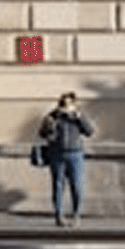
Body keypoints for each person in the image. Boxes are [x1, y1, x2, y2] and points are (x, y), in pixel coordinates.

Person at [37, 89, 93, 226]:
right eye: (64, 103)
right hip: (57, 154)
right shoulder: (53, 116)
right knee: (58, 185)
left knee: (76, 185)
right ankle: (58, 215)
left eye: (69, 103)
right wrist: (50, 122)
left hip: (75, 154)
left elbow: (89, 131)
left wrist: (79, 117)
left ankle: (76, 215)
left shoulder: (78, 117)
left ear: (74, 104)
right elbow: (42, 134)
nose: (66, 107)